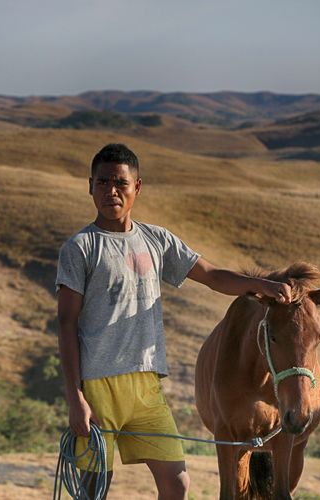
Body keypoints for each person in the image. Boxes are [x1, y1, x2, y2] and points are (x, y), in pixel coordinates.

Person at [55, 143, 292, 499]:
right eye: (102, 182)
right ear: (90, 186)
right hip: (97, 385)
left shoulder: (157, 240)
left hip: (147, 386)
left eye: (120, 183)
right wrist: (75, 398)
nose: (111, 191)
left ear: (137, 187)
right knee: (92, 490)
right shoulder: (82, 248)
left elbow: (212, 275)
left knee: (177, 483)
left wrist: (261, 285)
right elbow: (66, 324)